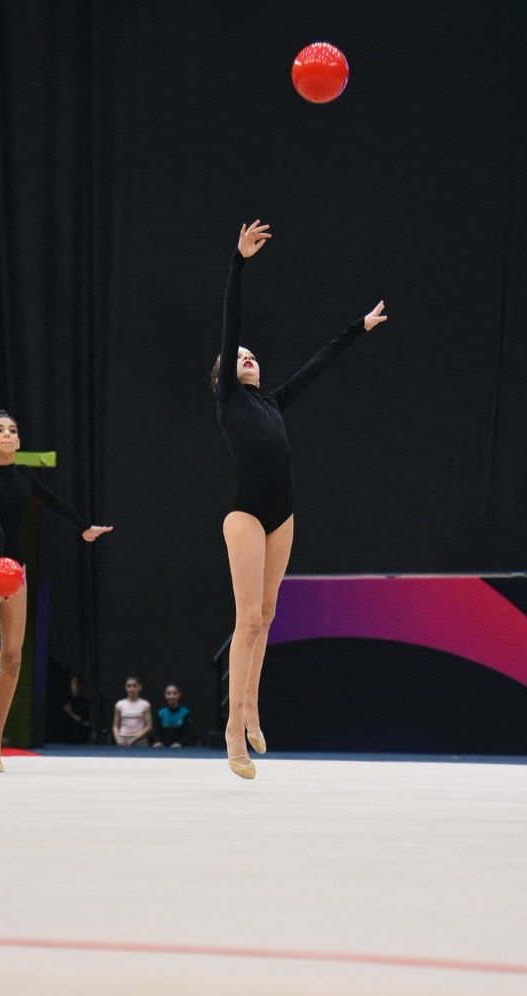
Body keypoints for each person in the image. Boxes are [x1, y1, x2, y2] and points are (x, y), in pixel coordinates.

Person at [212, 219, 388, 779]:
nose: (247, 357)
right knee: (246, 619)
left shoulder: (273, 403)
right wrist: (239, 263)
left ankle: (254, 709)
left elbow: (318, 363)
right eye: (237, 357)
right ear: (222, 375)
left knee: (267, 616)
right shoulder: (230, 404)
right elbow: (230, 323)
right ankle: (233, 730)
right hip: (244, 515)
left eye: (251, 355)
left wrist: (356, 329)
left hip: (281, 516)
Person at [0, 411, 113, 772]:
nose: (6, 434)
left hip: (15, 571)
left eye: (12, 430)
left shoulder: (25, 475)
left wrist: (83, 527)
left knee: (13, 658)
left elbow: (54, 501)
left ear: (18, 441)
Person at [112, 676, 153, 747]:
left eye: (134, 686)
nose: (131, 689)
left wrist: (134, 739)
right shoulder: (119, 704)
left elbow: (149, 726)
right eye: (129, 686)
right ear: (126, 688)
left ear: (140, 687)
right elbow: (115, 726)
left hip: (140, 739)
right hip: (123, 739)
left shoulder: (145, 704)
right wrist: (118, 739)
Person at [154, 684, 191, 748]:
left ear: (179, 695)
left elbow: (187, 733)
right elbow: (157, 731)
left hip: (181, 749)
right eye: (168, 693)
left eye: (174, 693)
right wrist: (158, 741)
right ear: (165, 695)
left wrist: (180, 743)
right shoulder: (161, 713)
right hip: (163, 748)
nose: (171, 696)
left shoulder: (185, 712)